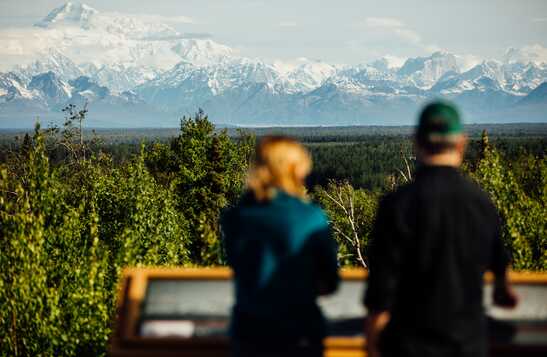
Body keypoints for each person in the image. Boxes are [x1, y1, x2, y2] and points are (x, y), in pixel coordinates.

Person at [364, 101, 518, 357]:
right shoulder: (481, 203)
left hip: (408, 346)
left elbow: (380, 294)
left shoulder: (396, 205)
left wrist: (371, 344)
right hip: (467, 344)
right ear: (461, 143)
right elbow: (503, 282)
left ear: (417, 142)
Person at [222, 136, 340, 357]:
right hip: (299, 334)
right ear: (294, 169)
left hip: (249, 334)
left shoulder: (235, 218)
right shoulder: (310, 217)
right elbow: (330, 281)